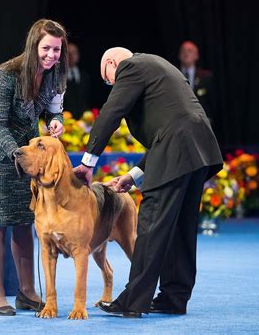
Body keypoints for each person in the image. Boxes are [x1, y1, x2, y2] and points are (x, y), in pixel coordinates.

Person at [73, 47, 223, 317]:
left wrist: (87, 163)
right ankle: (173, 298)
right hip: (199, 149)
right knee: (181, 228)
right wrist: (132, 176)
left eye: (108, 80)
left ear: (111, 63)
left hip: (178, 149)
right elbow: (169, 129)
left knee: (151, 225)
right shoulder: (159, 67)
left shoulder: (130, 67)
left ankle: (132, 302)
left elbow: (111, 114)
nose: (112, 85)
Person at [0, 19, 67, 316]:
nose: (52, 55)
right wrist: (15, 153)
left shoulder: (55, 75)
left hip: (26, 153)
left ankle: (27, 292)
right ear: (33, 45)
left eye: (56, 49)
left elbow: (56, 110)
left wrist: (56, 123)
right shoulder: (7, 74)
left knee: (25, 219)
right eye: (46, 49)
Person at [179, 41, 214, 121]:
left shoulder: (206, 77)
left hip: (201, 121)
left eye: (189, 51)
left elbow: (212, 102)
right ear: (179, 55)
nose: (186, 53)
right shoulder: (173, 75)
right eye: (183, 50)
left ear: (196, 56)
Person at [63, 42, 91, 119]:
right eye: (68, 53)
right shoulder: (56, 77)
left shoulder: (85, 76)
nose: (71, 56)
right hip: (64, 121)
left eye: (74, 53)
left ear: (78, 55)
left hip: (84, 120)